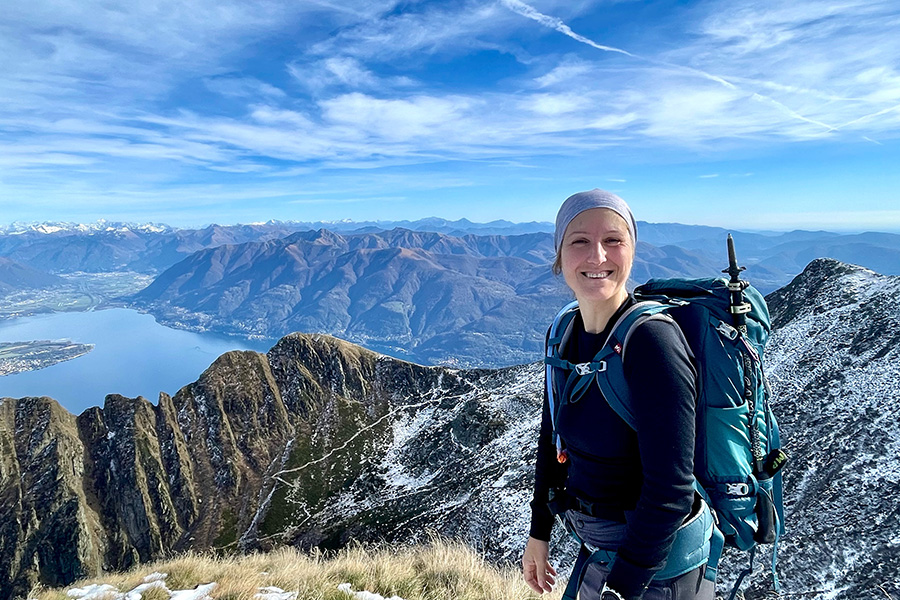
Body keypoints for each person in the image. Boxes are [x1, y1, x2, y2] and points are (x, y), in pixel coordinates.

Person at [522, 189, 714, 600]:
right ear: (559, 255)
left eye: (613, 240)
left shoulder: (652, 342)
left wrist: (621, 589)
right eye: (579, 241)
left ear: (631, 251)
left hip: (656, 571)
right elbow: (551, 438)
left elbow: (671, 490)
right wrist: (540, 532)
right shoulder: (563, 333)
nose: (597, 257)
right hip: (601, 553)